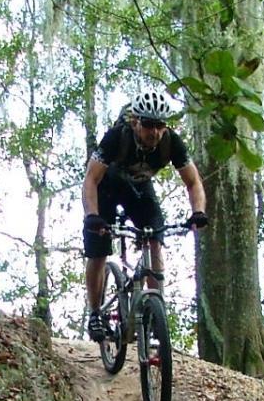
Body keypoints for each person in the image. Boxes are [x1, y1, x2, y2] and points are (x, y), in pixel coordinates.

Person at [82, 88, 208, 341]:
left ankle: (154, 308)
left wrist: (198, 212)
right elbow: (91, 180)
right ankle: (95, 312)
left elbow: (193, 182)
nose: (155, 132)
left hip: (139, 190)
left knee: (155, 238)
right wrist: (92, 216)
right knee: (98, 250)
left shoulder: (171, 142)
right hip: (107, 186)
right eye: (149, 125)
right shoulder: (117, 137)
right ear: (136, 122)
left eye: (160, 126)